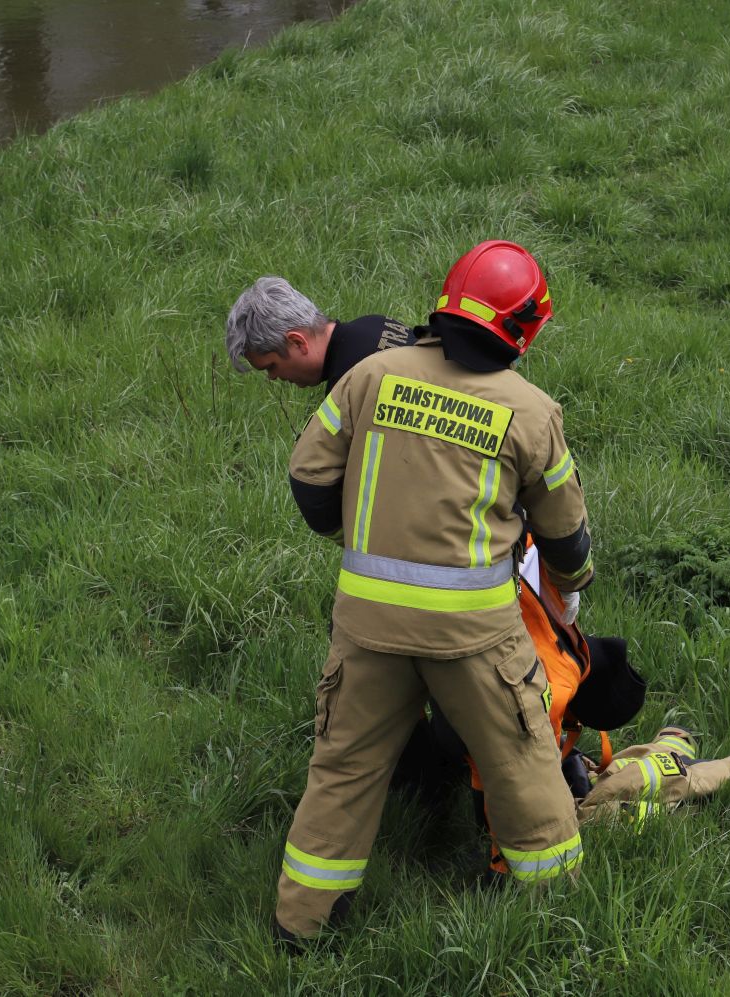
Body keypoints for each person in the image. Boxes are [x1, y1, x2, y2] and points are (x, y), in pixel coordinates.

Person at [271, 241, 595, 947]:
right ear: (526, 327)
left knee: (344, 768)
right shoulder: (532, 412)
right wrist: (569, 593)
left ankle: (301, 928)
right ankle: (554, 915)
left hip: (367, 629)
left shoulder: (371, 376)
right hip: (475, 639)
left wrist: (354, 534)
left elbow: (308, 476)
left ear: (445, 302)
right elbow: (566, 538)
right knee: (522, 760)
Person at [224, 276, 416, 391]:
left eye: (271, 366)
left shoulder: (347, 383)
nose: (272, 377)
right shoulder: (376, 323)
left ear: (297, 342)